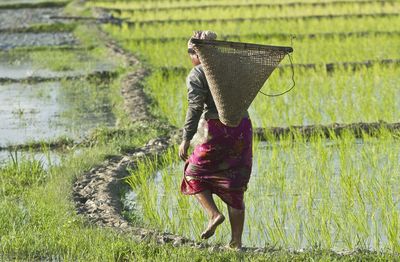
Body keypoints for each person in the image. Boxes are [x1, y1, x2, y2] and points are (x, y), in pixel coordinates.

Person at [179, 30, 253, 249]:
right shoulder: (233, 70)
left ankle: (213, 214)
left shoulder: (198, 73)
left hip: (215, 129)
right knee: (235, 183)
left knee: (193, 173)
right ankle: (236, 242)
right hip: (242, 129)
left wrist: (186, 138)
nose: (190, 57)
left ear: (198, 53)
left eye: (190, 52)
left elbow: (195, 107)